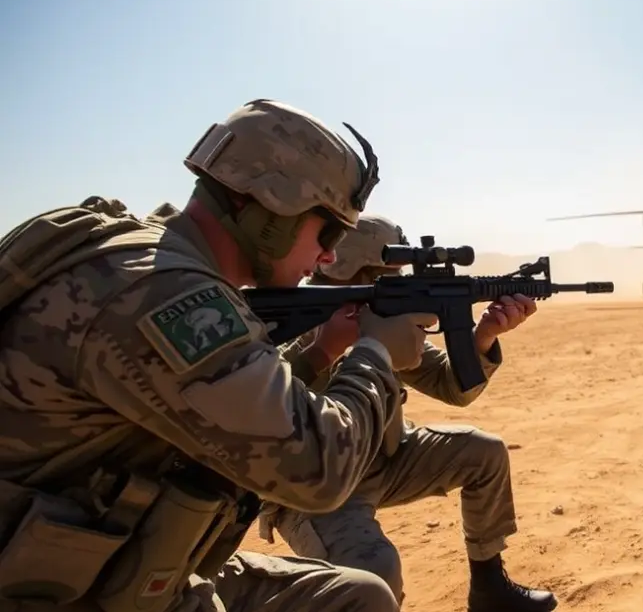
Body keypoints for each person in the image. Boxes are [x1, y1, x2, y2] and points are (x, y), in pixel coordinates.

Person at [0, 98, 438, 612]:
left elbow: (221, 404)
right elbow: (317, 470)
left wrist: (321, 355)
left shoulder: (150, 258)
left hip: (114, 562)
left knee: (355, 595)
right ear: (274, 207)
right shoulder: (160, 293)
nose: (328, 257)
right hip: (62, 590)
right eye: (330, 232)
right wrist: (376, 355)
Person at [256, 214, 557, 612]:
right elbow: (261, 406)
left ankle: (489, 591)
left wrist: (482, 337)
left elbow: (451, 386)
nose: (397, 284)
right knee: (374, 572)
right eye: (388, 275)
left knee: (484, 453)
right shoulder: (289, 320)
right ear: (353, 271)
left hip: (387, 457)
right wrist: (327, 347)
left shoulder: (382, 312)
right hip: (316, 486)